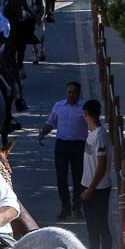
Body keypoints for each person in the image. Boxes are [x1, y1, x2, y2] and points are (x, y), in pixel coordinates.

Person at [38, 81, 88, 220]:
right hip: (62, 145)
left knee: (79, 178)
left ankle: (77, 207)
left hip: (79, 146)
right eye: (69, 92)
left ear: (79, 93)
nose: (72, 95)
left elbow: (92, 125)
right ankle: (65, 207)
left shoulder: (84, 108)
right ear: (66, 93)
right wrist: (42, 133)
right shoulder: (59, 106)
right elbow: (51, 122)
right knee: (61, 178)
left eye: (75, 92)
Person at [80, 99, 114, 249]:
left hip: (98, 189)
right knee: (92, 229)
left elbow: (101, 166)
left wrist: (90, 189)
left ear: (87, 114)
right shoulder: (91, 133)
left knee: (101, 227)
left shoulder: (100, 136)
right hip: (88, 186)